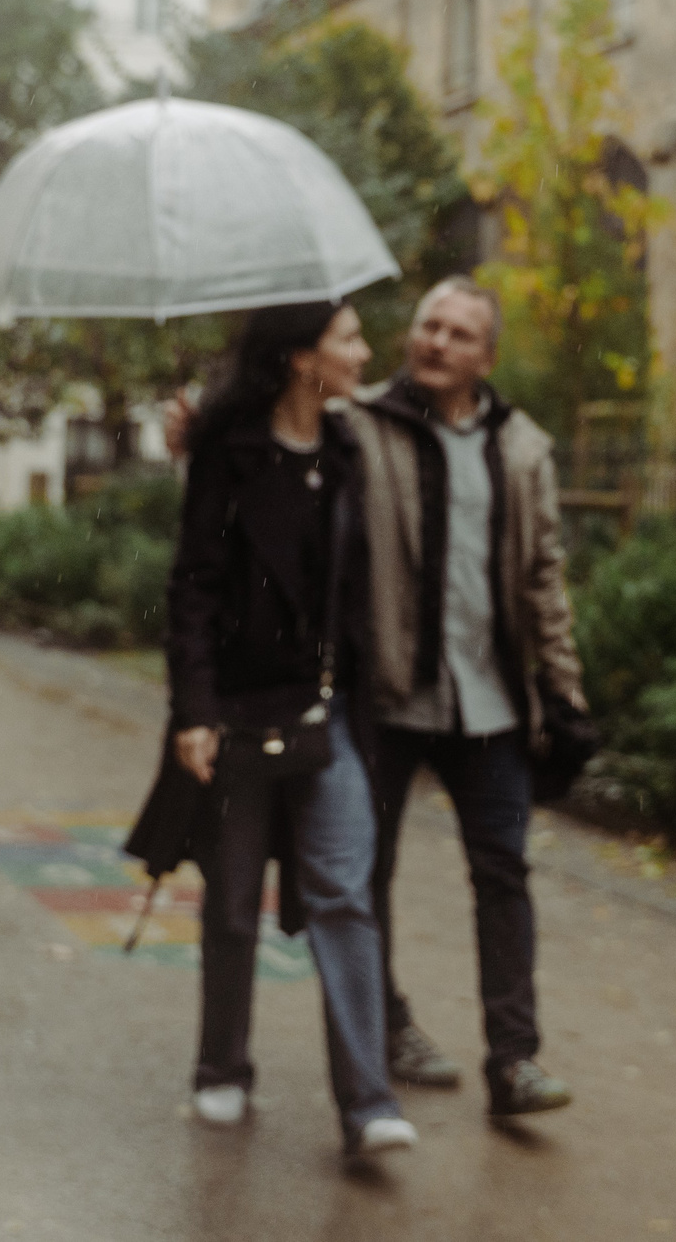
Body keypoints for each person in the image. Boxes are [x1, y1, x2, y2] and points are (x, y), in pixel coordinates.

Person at [131, 300, 417, 1158]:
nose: (365, 351)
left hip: (328, 712)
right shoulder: (231, 453)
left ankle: (368, 1102)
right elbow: (192, 588)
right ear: (301, 357)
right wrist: (194, 711)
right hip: (237, 716)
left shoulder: (350, 447)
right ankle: (222, 1067)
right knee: (232, 902)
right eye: (349, 338)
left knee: (346, 897)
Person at [340, 277, 589, 1118]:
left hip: (490, 704)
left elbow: (544, 577)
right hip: (387, 697)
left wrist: (564, 692)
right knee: (365, 871)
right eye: (428, 325)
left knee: (503, 874)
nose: (436, 342)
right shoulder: (359, 425)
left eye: (457, 333)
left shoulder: (522, 447)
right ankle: (387, 1026)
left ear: (487, 356)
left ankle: (514, 1060)